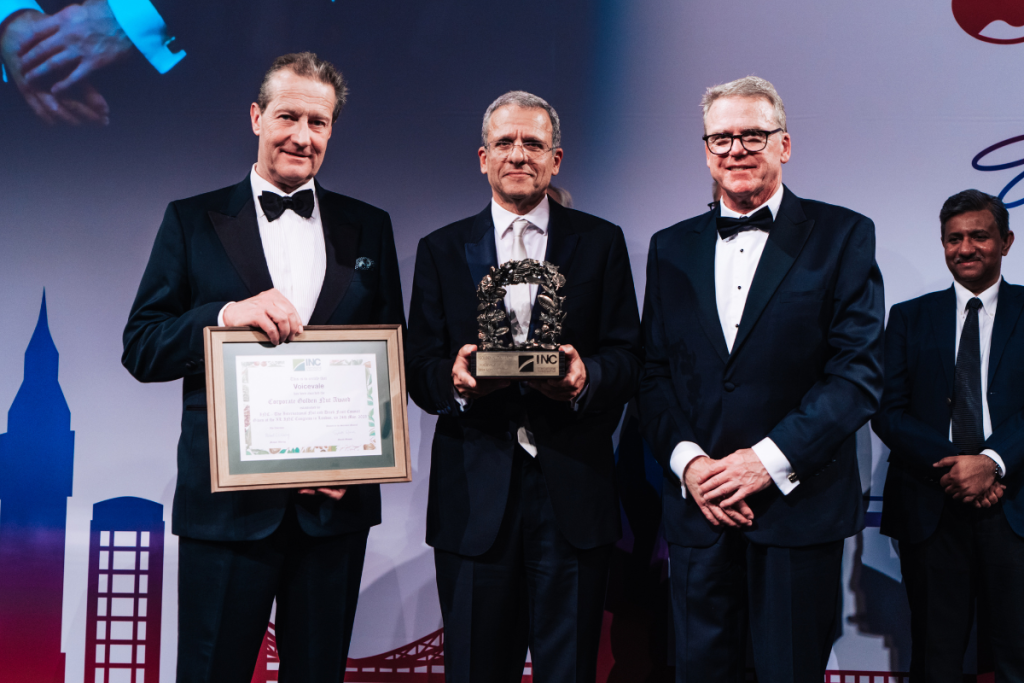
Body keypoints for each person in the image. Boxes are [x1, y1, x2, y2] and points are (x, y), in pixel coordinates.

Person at [122, 52, 405, 683]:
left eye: (318, 122)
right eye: (288, 117)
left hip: (332, 511)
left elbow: (392, 364)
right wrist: (224, 315)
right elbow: (141, 346)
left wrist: (356, 466)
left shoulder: (370, 228)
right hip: (227, 511)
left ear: (332, 130)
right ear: (256, 117)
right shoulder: (191, 220)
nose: (302, 136)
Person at [637, 75, 885, 683]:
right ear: (706, 151)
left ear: (784, 145)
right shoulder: (669, 247)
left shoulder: (843, 235)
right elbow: (652, 373)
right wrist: (690, 464)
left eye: (753, 135)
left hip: (798, 509)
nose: (736, 150)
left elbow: (856, 375)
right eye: (721, 138)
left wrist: (765, 462)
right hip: (699, 512)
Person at [406, 90, 642, 683]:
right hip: (474, 504)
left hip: (574, 498)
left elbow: (629, 357)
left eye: (533, 144)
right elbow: (418, 368)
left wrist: (586, 377)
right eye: (505, 143)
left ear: (555, 159)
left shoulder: (602, 242)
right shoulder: (440, 248)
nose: (518, 154)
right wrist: (456, 382)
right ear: (482, 157)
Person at [873, 189, 1024, 682]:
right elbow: (887, 412)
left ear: (1006, 242)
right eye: (954, 239)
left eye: (979, 236)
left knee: (1018, 655)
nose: (965, 248)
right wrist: (962, 466)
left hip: (1015, 504)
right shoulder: (908, 317)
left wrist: (993, 462)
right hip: (931, 506)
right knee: (935, 659)